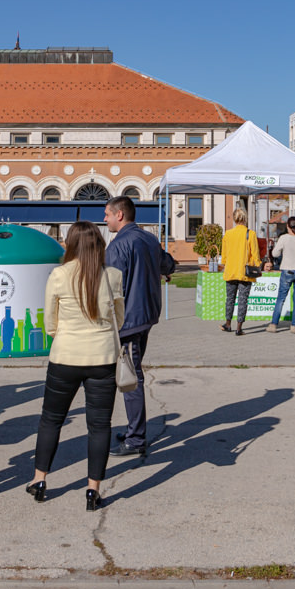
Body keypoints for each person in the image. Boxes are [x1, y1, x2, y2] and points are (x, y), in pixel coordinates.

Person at [28, 221, 124, 512]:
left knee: (51, 420)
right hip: (102, 358)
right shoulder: (113, 275)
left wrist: (65, 335)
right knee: (99, 425)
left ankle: (40, 479)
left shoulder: (59, 275)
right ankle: (93, 489)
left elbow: (49, 323)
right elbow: (119, 319)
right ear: (100, 244)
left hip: (65, 357)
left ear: (70, 244)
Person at [103, 195, 175, 457]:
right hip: (145, 316)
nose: (105, 219)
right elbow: (168, 264)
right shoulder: (149, 238)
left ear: (119, 215)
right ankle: (134, 429)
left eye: (107, 214)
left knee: (130, 378)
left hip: (129, 321)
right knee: (131, 373)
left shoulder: (117, 246)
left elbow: (111, 289)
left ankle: (136, 438)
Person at [218, 207, 261, 336]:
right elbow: (255, 253)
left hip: (231, 271)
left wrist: (225, 264)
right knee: (243, 299)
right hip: (245, 272)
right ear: (245, 218)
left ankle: (227, 324)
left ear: (234, 218)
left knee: (230, 298)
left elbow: (224, 255)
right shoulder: (250, 233)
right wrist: (258, 266)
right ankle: (239, 328)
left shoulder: (228, 234)